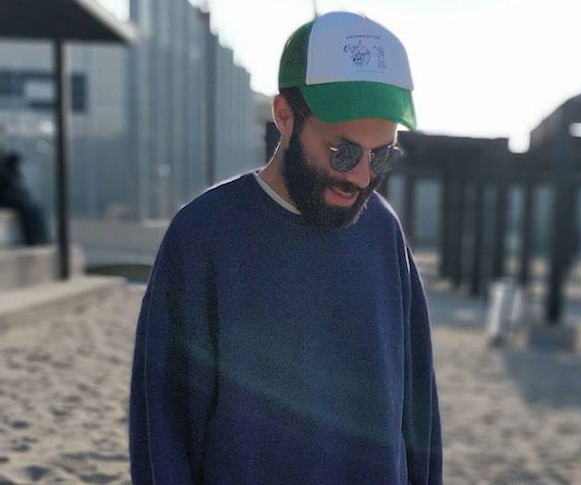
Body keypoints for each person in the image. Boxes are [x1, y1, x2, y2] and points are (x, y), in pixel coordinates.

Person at [129, 12, 441, 484]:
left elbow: (418, 411)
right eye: (344, 151)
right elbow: (163, 428)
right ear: (284, 117)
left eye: (381, 155)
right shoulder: (204, 234)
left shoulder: (382, 232)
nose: (361, 176)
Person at [0, 125, 49, 246]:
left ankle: (39, 236)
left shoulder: (3, 153)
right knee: (29, 209)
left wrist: (12, 163)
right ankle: (35, 238)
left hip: (9, 191)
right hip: (4, 194)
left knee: (34, 207)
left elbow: (12, 178)